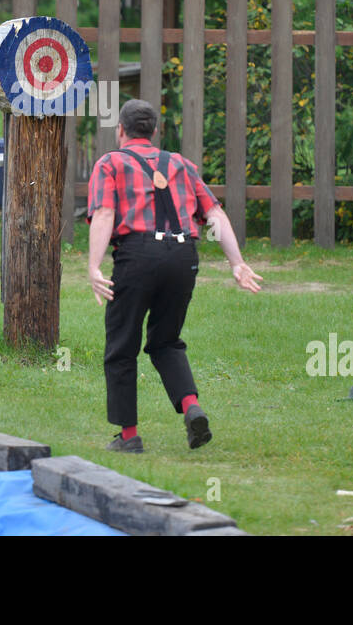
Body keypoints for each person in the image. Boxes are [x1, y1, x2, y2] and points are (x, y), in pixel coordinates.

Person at [86, 99, 262, 453]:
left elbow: (105, 213)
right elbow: (214, 214)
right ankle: (191, 407)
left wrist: (94, 266)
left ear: (121, 129)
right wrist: (236, 262)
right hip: (183, 258)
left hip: (137, 256)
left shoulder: (110, 163)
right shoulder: (181, 164)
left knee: (122, 345)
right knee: (166, 341)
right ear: (153, 132)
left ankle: (128, 436)